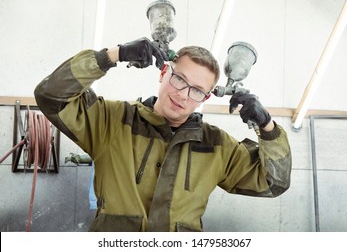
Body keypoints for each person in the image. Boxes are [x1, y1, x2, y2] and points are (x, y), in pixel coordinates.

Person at [34, 37, 292, 232]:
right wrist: (112, 56)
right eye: (179, 79)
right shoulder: (111, 121)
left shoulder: (217, 146)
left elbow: (273, 183)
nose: (182, 94)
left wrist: (267, 127)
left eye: (197, 91)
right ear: (162, 72)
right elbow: (51, 95)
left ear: (205, 97)